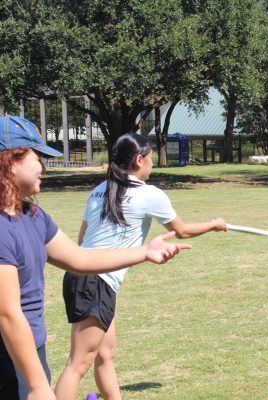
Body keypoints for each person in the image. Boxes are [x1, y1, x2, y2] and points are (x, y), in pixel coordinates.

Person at [0, 116, 190, 400]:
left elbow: (79, 258)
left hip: (30, 347)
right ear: (11, 160)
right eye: (37, 157)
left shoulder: (32, 216)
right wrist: (38, 385)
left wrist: (144, 252)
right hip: (8, 352)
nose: (43, 166)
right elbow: (7, 313)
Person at [54, 133, 228, 400]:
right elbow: (181, 231)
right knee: (78, 364)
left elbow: (82, 241)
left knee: (106, 354)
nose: (152, 164)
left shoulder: (98, 191)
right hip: (96, 282)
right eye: (150, 159)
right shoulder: (149, 194)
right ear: (138, 160)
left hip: (82, 276)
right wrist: (214, 225)